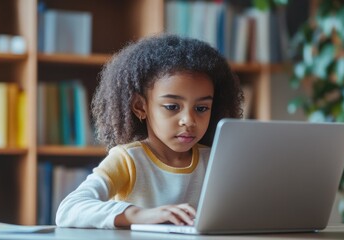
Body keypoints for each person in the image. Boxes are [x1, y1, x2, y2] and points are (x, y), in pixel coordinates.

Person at [55, 34, 244, 229]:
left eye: (202, 108)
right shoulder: (128, 160)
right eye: (172, 106)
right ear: (140, 107)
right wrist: (138, 214)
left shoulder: (214, 160)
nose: (189, 120)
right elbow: (69, 209)